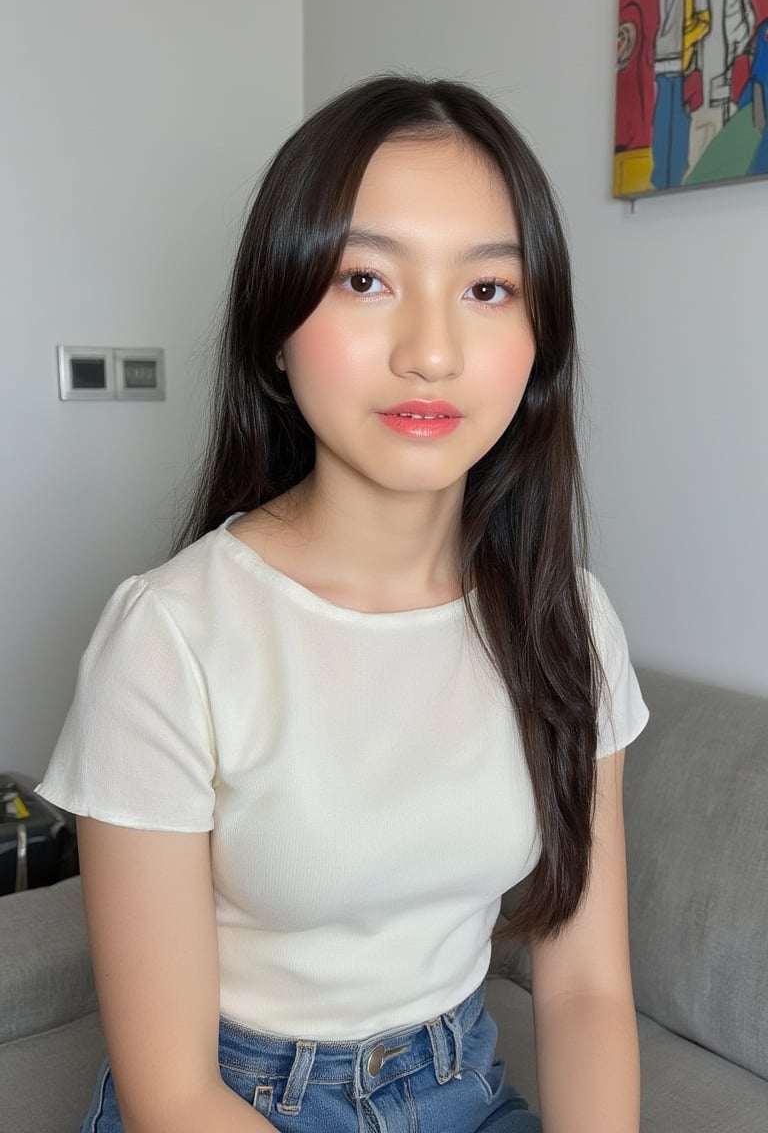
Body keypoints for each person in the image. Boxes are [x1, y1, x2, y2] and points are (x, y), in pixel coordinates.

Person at [38, 74, 649, 1133]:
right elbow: (169, 1091)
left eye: (488, 290)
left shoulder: (568, 621)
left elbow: (588, 987)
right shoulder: (170, 640)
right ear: (276, 327)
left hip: (465, 1082)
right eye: (366, 280)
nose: (431, 350)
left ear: (537, 343)